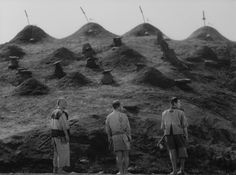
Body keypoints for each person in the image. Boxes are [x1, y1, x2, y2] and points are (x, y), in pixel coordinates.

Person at [161, 97, 188, 175]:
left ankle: (175, 171)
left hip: (168, 135)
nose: (180, 104)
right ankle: (181, 170)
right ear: (174, 103)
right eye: (179, 103)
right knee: (182, 151)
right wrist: (186, 136)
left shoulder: (164, 113)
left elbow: (163, 127)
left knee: (172, 152)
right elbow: (185, 126)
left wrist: (166, 135)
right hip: (179, 134)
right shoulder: (181, 113)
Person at [105, 100, 131, 174]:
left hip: (115, 136)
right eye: (121, 106)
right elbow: (128, 128)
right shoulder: (124, 115)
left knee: (118, 156)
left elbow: (107, 129)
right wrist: (129, 136)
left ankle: (121, 172)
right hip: (124, 136)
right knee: (126, 155)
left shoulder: (109, 117)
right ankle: (125, 172)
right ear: (119, 106)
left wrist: (109, 137)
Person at [50, 98, 70, 173]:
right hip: (61, 136)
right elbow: (63, 126)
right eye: (64, 102)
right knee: (63, 153)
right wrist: (66, 135)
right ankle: (60, 170)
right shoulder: (61, 113)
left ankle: (55, 170)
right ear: (60, 103)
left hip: (54, 135)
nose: (66, 104)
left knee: (56, 153)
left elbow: (52, 125)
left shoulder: (53, 112)